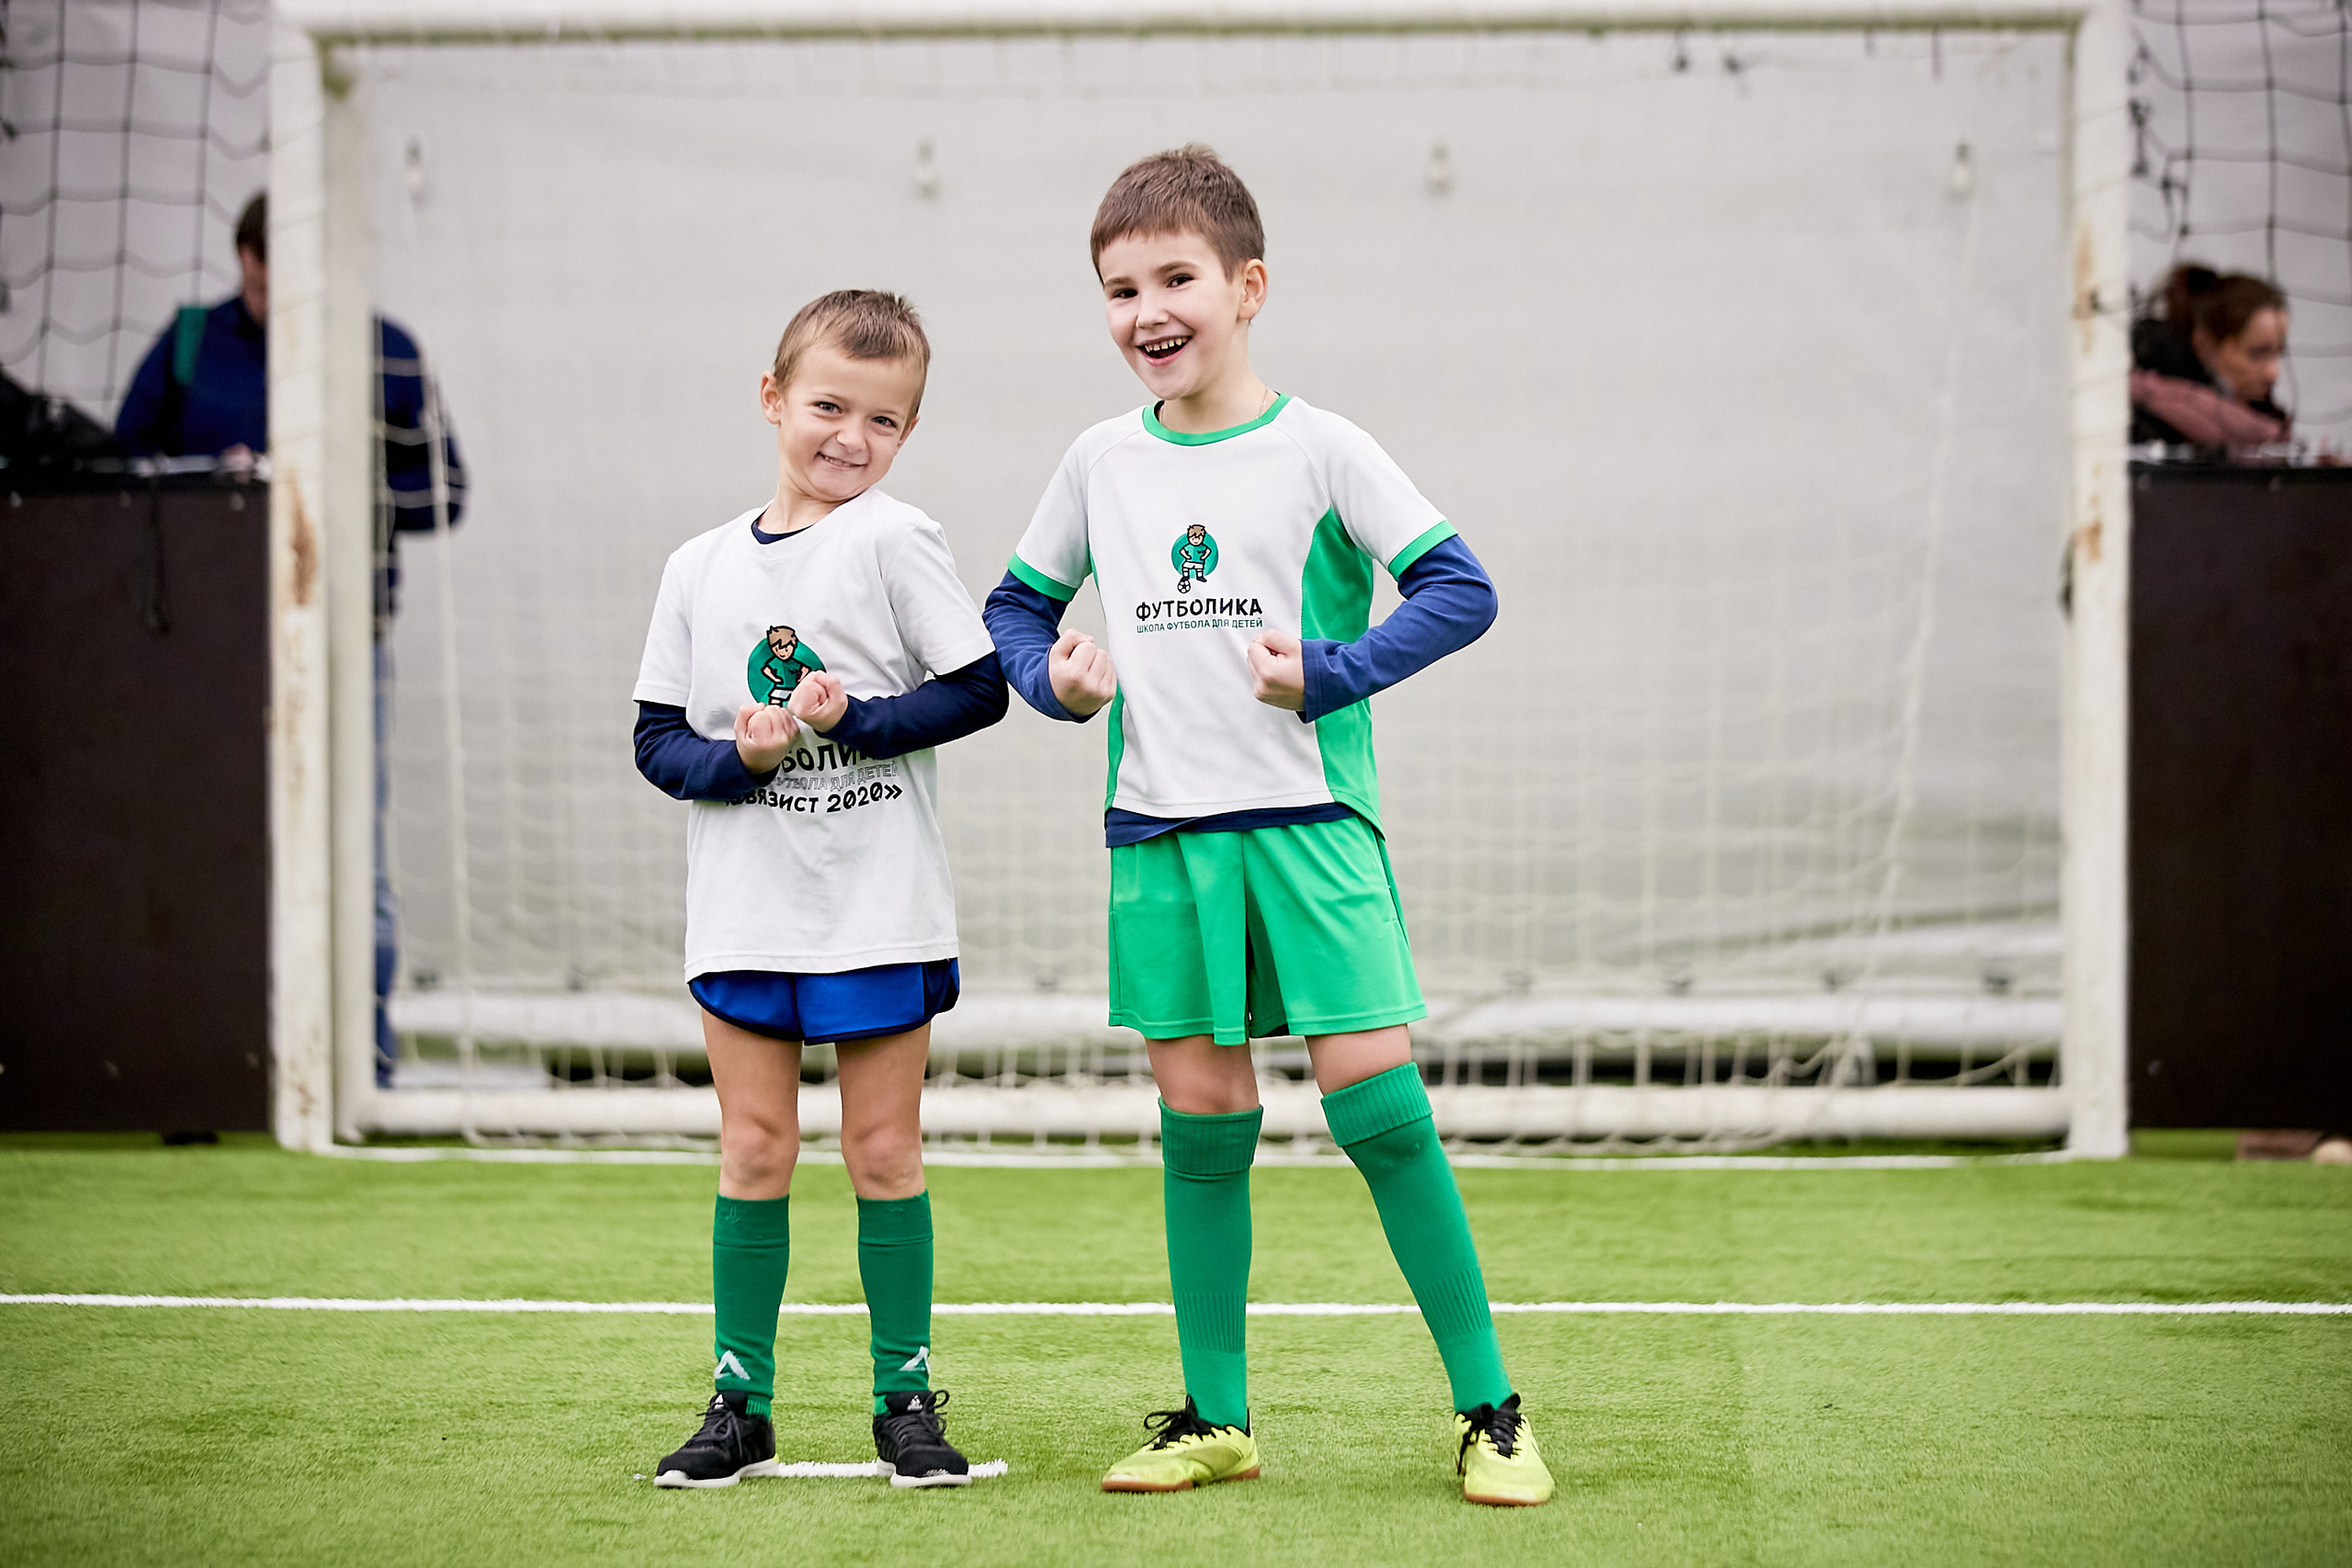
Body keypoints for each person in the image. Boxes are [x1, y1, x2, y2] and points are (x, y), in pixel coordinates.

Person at [982, 146, 1552, 1508]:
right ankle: (1215, 1414)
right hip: (1162, 835)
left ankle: (1492, 1410)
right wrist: (1050, 678)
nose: (1145, 310)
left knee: (1385, 1110)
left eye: (1174, 278)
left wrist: (1337, 666)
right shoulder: (1097, 459)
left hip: (1311, 824)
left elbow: (1459, 586)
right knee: (1202, 1117)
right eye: (1119, 288)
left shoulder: (1321, 443)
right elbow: (1013, 609)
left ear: (1247, 286)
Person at [631, 289, 1006, 1490]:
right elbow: (655, 741)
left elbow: (979, 686)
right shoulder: (697, 565)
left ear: (907, 433)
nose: (851, 435)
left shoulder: (898, 540)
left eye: (883, 419)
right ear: (773, 397)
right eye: (829, 405)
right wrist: (738, 759)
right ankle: (740, 1400)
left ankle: (906, 1395)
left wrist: (863, 716)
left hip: (878, 904)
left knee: (884, 1148)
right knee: (754, 1145)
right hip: (745, 909)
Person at [116, 191, 468, 1088]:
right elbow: (118, 471)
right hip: (208, 647)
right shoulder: (191, 343)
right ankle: (203, 1068)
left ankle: (366, 1077)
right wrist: (219, 489)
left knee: (360, 857)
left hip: (350, 646)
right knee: (202, 847)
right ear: (244, 261)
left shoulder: (384, 350)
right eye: (264, 284)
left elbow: (445, 495)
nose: (277, 306)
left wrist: (336, 489)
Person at [2130, 265, 2291, 449]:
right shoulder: (2149, 424)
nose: (2273, 373)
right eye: (2257, 354)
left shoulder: (2272, 427)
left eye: (2277, 355)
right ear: (2204, 344)